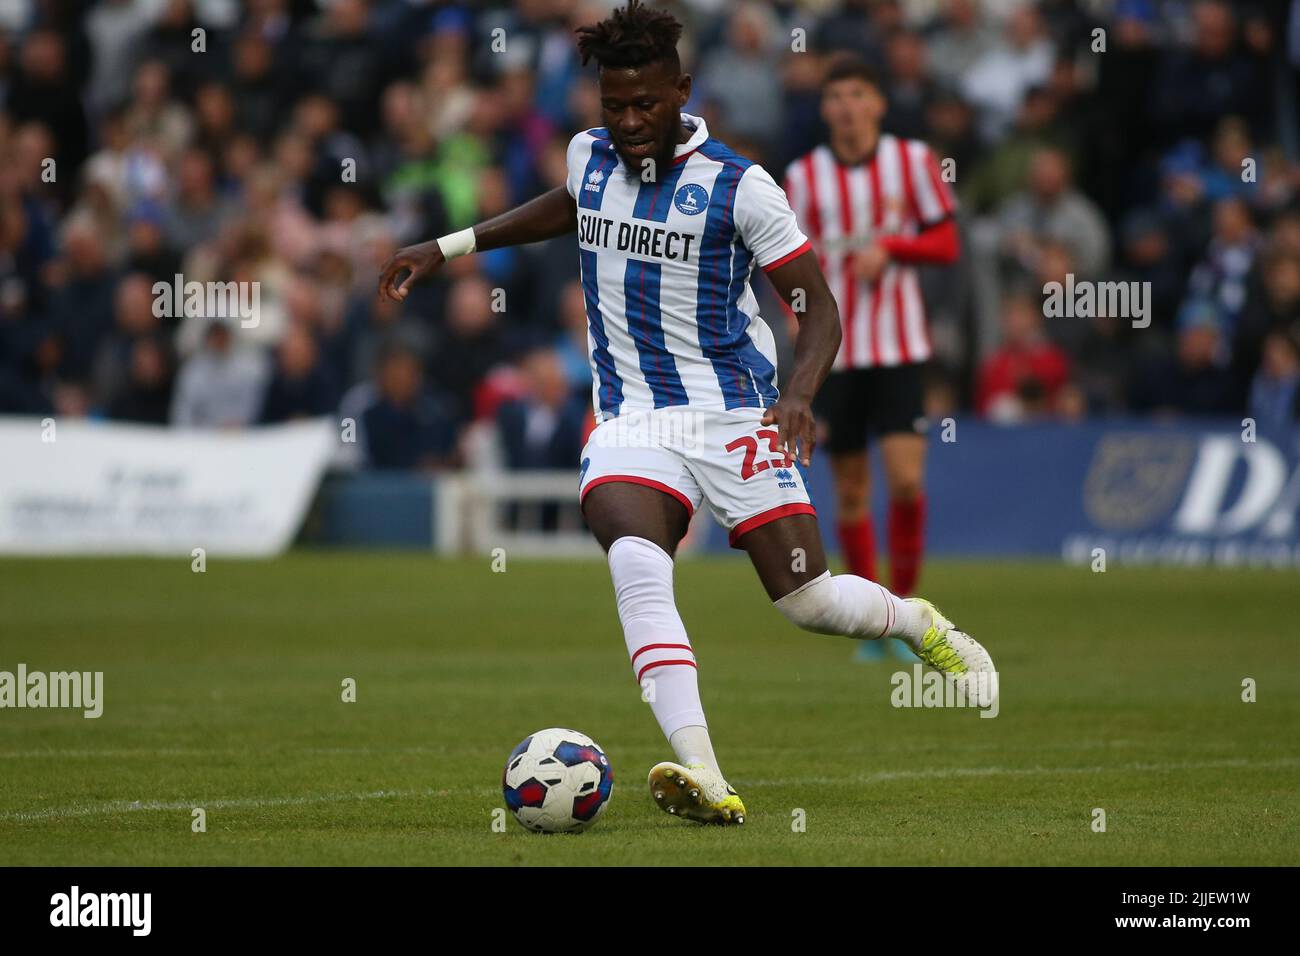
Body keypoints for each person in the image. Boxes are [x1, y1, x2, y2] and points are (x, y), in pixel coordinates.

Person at [379, 0, 995, 826]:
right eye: (614, 107)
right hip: (632, 418)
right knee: (635, 557)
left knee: (806, 602)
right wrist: (450, 246)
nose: (629, 123)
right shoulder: (588, 156)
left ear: (682, 92)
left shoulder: (742, 187)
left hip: (735, 415)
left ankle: (916, 621)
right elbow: (573, 204)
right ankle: (705, 772)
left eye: (646, 106)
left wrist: (799, 395)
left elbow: (819, 306)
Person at [783, 57, 961, 657]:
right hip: (835, 355)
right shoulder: (803, 177)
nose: (846, 106)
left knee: (907, 482)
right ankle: (877, 625)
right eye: (835, 96)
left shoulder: (912, 162)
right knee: (852, 490)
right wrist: (796, 315)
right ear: (826, 108)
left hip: (897, 347)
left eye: (858, 93)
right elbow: (784, 257)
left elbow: (946, 241)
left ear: (878, 104)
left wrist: (891, 247)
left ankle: (909, 610)